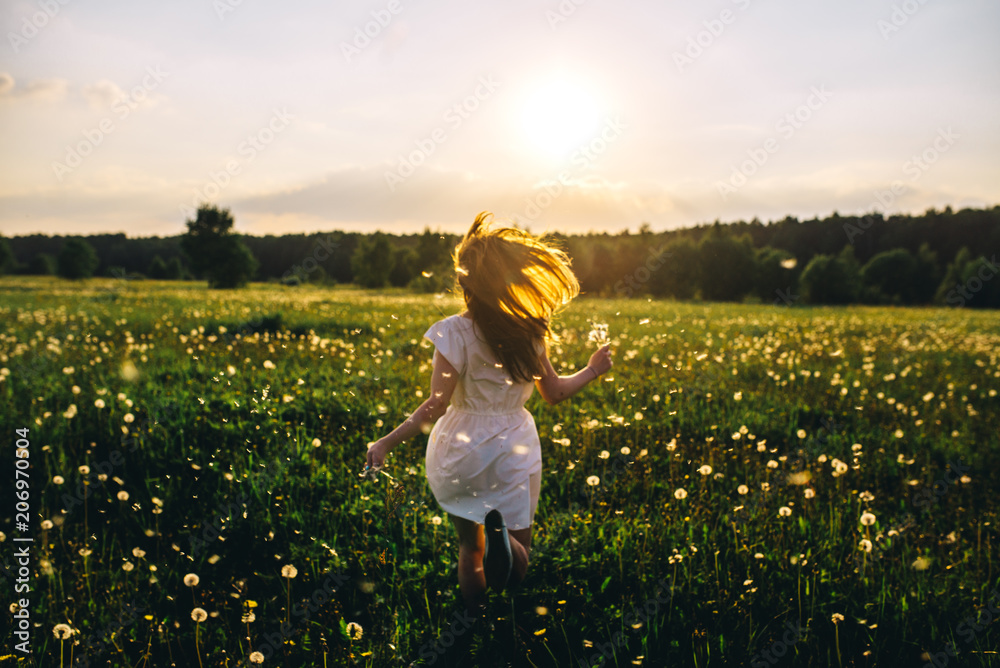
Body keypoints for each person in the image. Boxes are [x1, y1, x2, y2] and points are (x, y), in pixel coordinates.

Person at [364, 211, 613, 617]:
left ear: (466, 282)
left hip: (460, 447)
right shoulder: (528, 330)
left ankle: (474, 619)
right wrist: (592, 369)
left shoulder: (451, 332)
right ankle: (508, 552)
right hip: (511, 445)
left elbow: (436, 405)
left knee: (469, 547)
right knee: (521, 555)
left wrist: (386, 442)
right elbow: (554, 392)